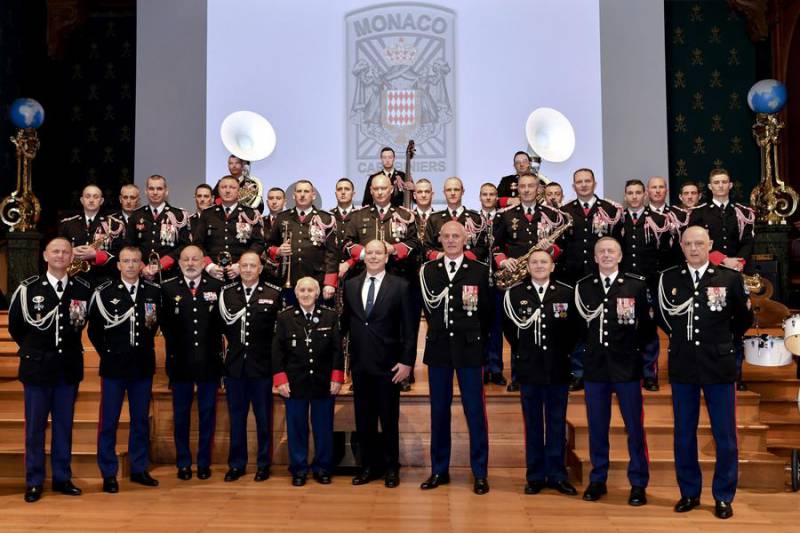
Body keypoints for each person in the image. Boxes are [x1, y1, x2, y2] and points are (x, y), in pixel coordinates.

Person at [656, 226, 753, 520]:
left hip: (719, 364)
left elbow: (743, 318)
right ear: (682, 247)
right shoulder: (669, 278)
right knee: (684, 434)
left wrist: (722, 341)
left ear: (710, 245)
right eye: (689, 244)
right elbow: (663, 316)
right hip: (684, 364)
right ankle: (689, 492)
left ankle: (723, 495)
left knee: (725, 435)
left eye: (700, 243)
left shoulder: (729, 278)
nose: (694, 248)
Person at [9, 237, 92, 503]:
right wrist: (37, 350)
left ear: (71, 258)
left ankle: (62, 478)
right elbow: (17, 327)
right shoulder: (28, 289)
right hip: (37, 369)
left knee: (64, 427)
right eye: (55, 251)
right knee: (34, 428)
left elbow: (81, 324)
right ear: (45, 255)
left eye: (65, 252)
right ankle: (34, 481)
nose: (60, 255)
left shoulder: (81, 288)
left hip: (67, 369)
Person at [574, 237, 652, 506]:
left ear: (620, 256)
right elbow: (578, 330)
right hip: (595, 368)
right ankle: (598, 479)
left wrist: (641, 361)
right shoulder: (584, 287)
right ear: (595, 258)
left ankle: (638, 482)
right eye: (601, 252)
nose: (606, 255)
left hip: (627, 368)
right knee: (597, 427)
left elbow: (647, 331)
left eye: (611, 251)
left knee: (634, 428)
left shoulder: (635, 285)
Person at [419, 221, 492, 495]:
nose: (450, 240)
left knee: (475, 412)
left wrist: (477, 341)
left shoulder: (479, 271)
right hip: (438, 350)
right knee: (439, 412)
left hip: (470, 350)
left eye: (456, 236)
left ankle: (480, 473)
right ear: (439, 238)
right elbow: (427, 307)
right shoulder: (428, 271)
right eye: (446, 236)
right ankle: (439, 470)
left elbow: (487, 314)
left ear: (465, 239)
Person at [503, 250, 578, 496]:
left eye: (543, 262)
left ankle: (557, 474)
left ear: (552, 266)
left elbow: (574, 331)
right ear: (527, 267)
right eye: (534, 262)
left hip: (558, 367)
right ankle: (535, 475)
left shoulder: (567, 292)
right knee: (533, 425)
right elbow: (511, 332)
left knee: (556, 423)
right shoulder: (515, 294)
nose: (538, 265)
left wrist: (561, 352)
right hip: (529, 368)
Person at [88, 246, 161, 493]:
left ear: (141, 265)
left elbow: (155, 325)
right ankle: (109, 473)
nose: (130, 265)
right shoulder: (105, 293)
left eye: (135, 261)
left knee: (140, 420)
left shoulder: (153, 292)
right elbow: (94, 331)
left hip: (142, 366)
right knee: (108, 421)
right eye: (126, 261)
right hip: (114, 367)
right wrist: (109, 353)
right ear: (118, 265)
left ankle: (139, 468)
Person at [344, 240, 415, 488]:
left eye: (378, 253)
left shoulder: (401, 286)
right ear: (364, 257)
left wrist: (407, 362)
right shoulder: (350, 285)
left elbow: (409, 328)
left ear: (386, 257)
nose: (373, 256)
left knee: (388, 420)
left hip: (389, 365)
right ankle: (368, 467)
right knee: (364, 421)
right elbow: (347, 325)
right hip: (361, 364)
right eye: (370, 252)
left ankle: (391, 468)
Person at [492, 172, 567, 391]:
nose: (526, 190)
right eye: (522, 186)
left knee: (546, 327)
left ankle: (547, 372)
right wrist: (504, 262)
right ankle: (519, 374)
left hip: (544, 278)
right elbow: (496, 247)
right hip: (517, 280)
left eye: (530, 186)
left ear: (538, 189)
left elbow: (561, 247)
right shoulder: (505, 215)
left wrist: (549, 249)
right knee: (518, 328)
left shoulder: (552, 215)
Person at [160, 245, 224, 481]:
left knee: (208, 415)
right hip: (180, 363)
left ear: (202, 261)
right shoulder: (167, 288)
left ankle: (204, 462)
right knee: (181, 415)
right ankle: (184, 462)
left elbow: (220, 324)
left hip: (209, 362)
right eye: (185, 259)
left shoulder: (216, 287)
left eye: (195, 259)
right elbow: (165, 325)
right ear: (179, 263)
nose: (190, 263)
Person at [272, 277, 344, 486]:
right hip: (294, 383)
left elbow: (337, 351)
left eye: (310, 290)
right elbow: (277, 352)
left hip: (323, 382)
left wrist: (336, 377)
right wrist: (280, 380)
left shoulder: (330, 316)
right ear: (295, 294)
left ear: (317, 293)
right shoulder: (285, 318)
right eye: (301, 290)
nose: (305, 294)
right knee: (297, 428)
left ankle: (323, 468)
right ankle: (299, 469)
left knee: (323, 428)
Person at [218, 251, 282, 482]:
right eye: (243, 265)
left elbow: (278, 336)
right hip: (235, 367)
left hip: (262, 367)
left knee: (264, 419)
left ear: (260, 269)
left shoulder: (273, 294)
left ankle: (263, 464)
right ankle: (236, 464)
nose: (247, 269)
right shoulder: (226, 293)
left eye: (252, 266)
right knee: (236, 419)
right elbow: (222, 329)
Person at [688, 168, 755, 390]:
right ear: (709, 187)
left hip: (737, 275)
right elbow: (694, 243)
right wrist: (724, 260)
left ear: (731, 185)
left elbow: (748, 242)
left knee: (737, 323)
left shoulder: (743, 212)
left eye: (724, 182)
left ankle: (736, 374)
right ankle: (709, 372)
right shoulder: (699, 213)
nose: (720, 186)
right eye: (716, 182)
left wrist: (738, 263)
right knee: (713, 323)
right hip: (712, 275)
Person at [560, 168, 624, 391]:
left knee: (606, 324)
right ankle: (578, 371)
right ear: (573, 186)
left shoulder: (610, 209)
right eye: (579, 182)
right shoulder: (564, 211)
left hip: (603, 278)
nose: (584, 185)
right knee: (577, 326)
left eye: (588, 181)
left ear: (595, 184)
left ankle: (609, 370)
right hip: (573, 278)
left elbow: (618, 244)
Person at [619, 179, 673, 392]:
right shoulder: (617, 221)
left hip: (650, 283)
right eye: (630, 193)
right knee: (624, 328)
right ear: (625, 196)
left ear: (645, 195)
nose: (634, 196)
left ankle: (649, 375)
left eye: (638, 192)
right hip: (624, 284)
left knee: (649, 329)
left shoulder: (660, 220)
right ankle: (628, 372)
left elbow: (667, 254)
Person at [266, 180, 339, 303]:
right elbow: (269, 246)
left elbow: (332, 254)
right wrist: (278, 251)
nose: (302, 194)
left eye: (306, 191)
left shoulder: (326, 218)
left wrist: (330, 283)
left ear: (313, 195)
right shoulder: (282, 217)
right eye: (299, 191)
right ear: (294, 195)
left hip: (317, 280)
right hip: (288, 280)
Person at [192, 175, 265, 281]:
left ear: (239, 191)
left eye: (232, 187)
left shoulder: (250, 213)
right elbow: (197, 243)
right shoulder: (207, 214)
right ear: (218, 190)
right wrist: (209, 266)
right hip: (212, 275)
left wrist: (241, 265)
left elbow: (258, 243)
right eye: (223, 187)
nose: (227, 191)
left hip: (241, 274)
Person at [126, 174, 191, 279]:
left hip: (170, 275)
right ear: (146, 191)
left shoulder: (178, 215)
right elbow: (129, 246)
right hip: (142, 274)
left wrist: (163, 263)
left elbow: (185, 246)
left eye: (159, 189)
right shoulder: (136, 215)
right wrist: (142, 267)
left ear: (166, 191)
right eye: (151, 188)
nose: (155, 192)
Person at [59, 184, 125, 285]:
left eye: (95, 196)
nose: (91, 200)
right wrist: (71, 251)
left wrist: (96, 255)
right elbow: (58, 250)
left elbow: (121, 254)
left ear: (101, 201)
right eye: (87, 196)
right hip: (74, 280)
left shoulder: (114, 225)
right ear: (81, 200)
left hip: (104, 281)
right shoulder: (67, 224)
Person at [423, 177, 489, 263]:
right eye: (449, 190)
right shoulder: (434, 218)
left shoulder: (476, 218)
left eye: (456, 190)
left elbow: (482, 247)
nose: (453, 193)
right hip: (440, 267)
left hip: (468, 267)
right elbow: (426, 247)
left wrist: (462, 258)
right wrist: (441, 256)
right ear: (444, 193)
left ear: (463, 192)